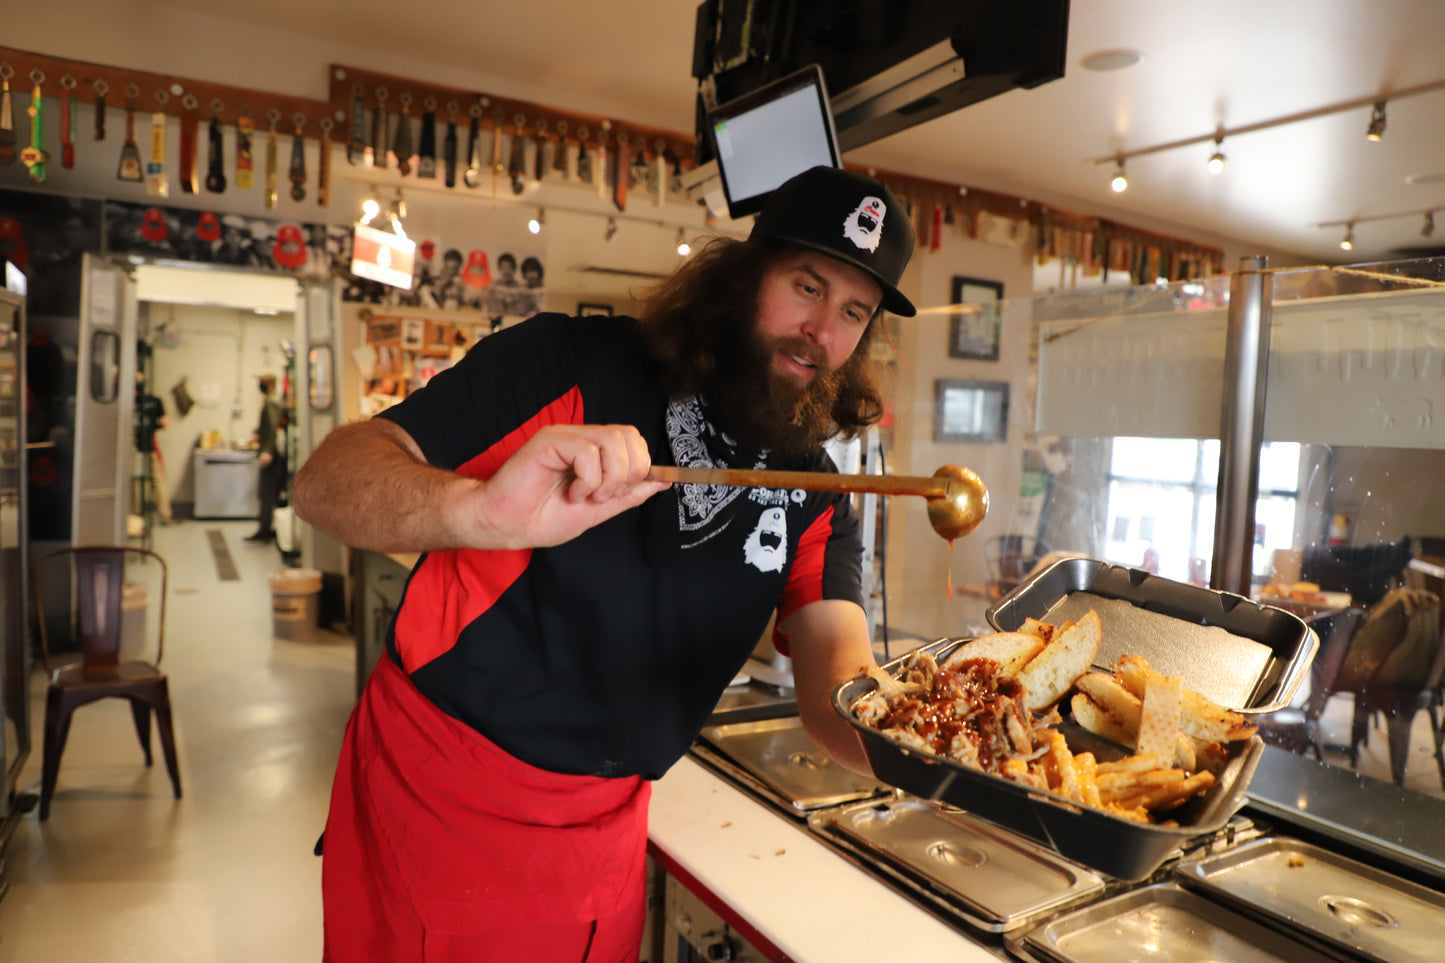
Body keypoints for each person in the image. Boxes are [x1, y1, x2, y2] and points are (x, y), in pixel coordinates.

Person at [294, 165, 916, 962]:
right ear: (742, 275)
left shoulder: (815, 493)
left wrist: (955, 754)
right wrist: (474, 513)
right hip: (443, 799)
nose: (821, 329)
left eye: (853, 311)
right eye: (806, 286)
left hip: (609, 831)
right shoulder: (569, 364)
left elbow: (838, 694)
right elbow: (326, 481)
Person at [245, 371, 286, 543]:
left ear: (271, 383)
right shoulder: (271, 401)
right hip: (271, 452)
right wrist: (257, 434)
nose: (259, 385)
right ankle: (268, 528)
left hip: (272, 456)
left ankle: (265, 529)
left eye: (262, 382)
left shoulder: (272, 402)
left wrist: (267, 450)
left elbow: (272, 427)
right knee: (269, 494)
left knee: (267, 493)